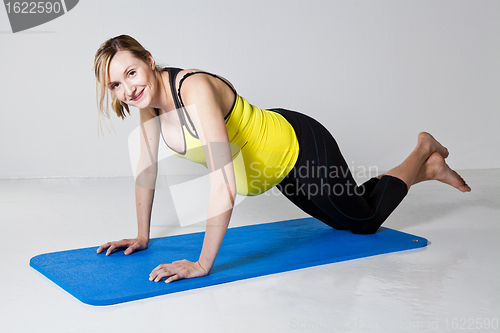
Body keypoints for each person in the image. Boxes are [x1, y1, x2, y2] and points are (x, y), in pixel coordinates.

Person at [94, 35, 470, 284]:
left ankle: (423, 153)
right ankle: (429, 167)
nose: (128, 89)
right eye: (115, 84)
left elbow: (223, 181)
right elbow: (147, 169)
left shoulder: (193, 88)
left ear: (149, 60)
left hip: (298, 147)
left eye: (131, 72)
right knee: (346, 217)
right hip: (269, 170)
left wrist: (203, 263)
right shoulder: (148, 106)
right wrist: (143, 236)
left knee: (365, 223)